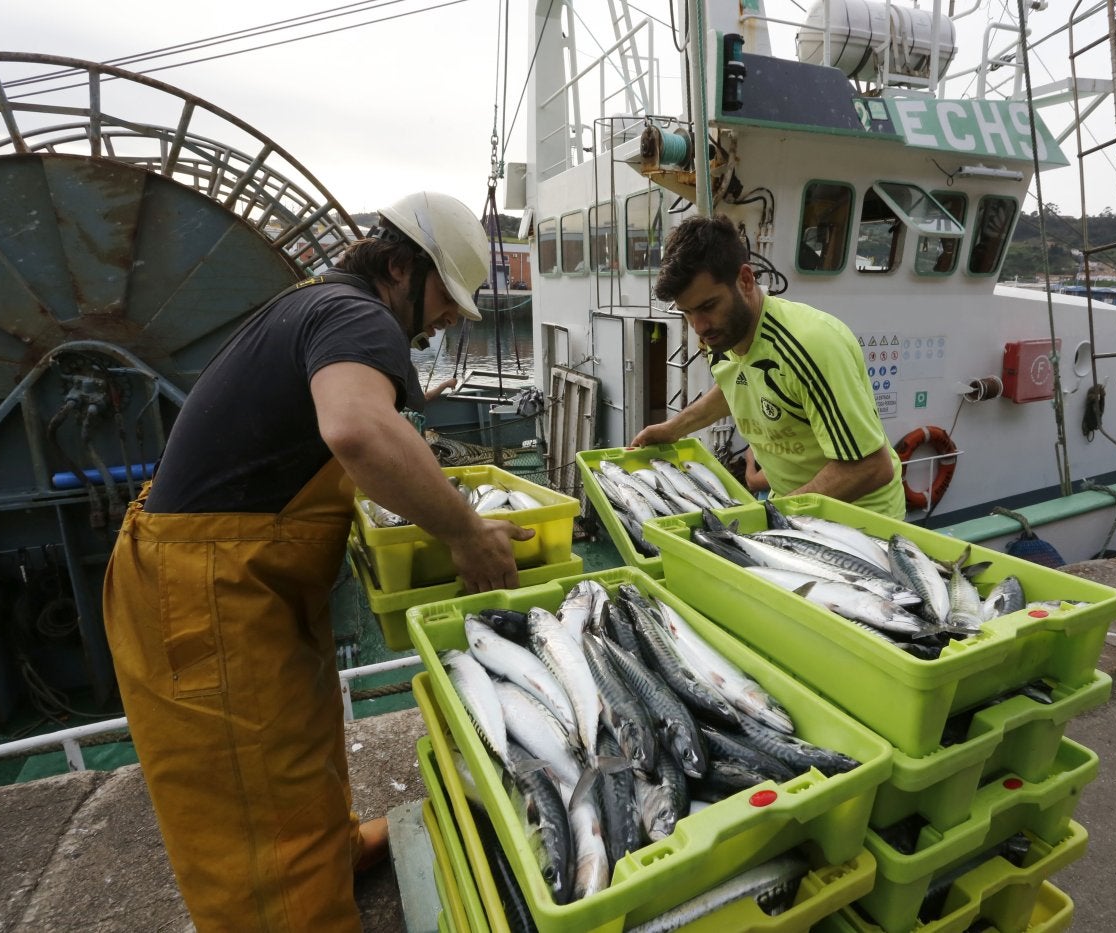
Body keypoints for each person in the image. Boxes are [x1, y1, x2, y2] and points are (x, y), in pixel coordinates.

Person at [103, 191, 533, 931]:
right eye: (446, 298)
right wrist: (464, 530)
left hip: (240, 572)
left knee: (296, 737)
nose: (450, 319)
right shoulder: (359, 316)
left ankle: (328, 848)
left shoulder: (317, 302)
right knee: (247, 785)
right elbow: (356, 428)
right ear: (399, 265)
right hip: (203, 585)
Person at [631, 215, 906, 518]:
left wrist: (775, 517)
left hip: (860, 522)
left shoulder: (810, 346)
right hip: (796, 511)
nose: (699, 326)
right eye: (687, 312)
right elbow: (734, 384)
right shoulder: (724, 335)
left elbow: (871, 467)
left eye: (708, 306)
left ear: (745, 281)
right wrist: (673, 429)